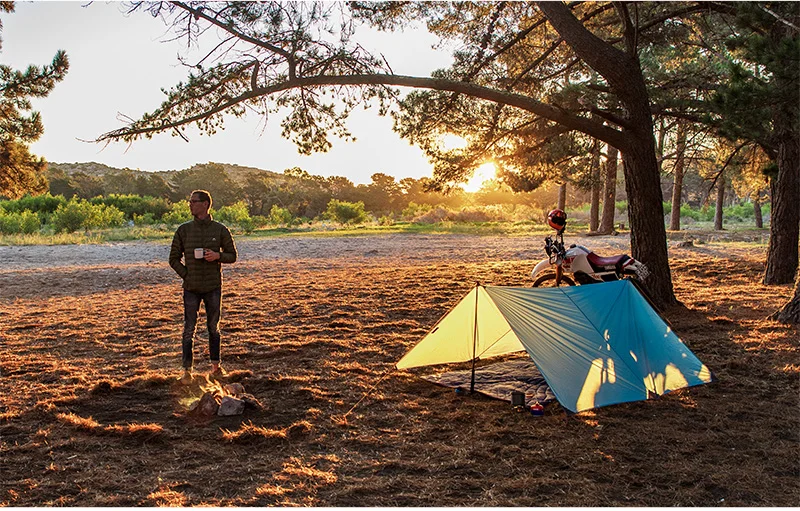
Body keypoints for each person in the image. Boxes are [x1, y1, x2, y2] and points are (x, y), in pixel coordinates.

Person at [169, 190, 237, 383]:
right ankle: (186, 372)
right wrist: (187, 275)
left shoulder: (220, 230)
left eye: (194, 201)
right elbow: (173, 259)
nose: (190, 205)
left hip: (213, 286)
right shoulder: (183, 230)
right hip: (191, 287)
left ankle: (216, 367)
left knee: (213, 328)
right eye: (189, 201)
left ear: (206, 204)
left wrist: (218, 256)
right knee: (188, 328)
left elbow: (233, 255)